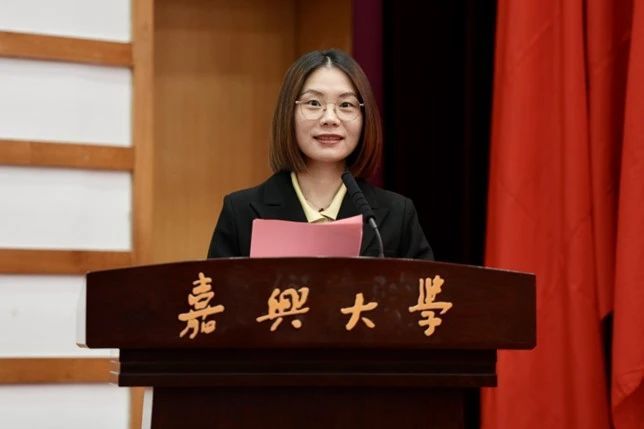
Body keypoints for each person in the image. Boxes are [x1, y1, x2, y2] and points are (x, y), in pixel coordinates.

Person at [207, 49, 433, 260]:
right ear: (288, 113)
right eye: (314, 103)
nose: (330, 119)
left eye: (346, 105)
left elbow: (425, 288)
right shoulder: (241, 212)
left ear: (365, 118)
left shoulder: (397, 215)